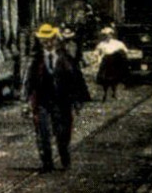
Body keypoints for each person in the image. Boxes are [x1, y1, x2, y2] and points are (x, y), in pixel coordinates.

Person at [26, 22, 90, 171]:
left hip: (62, 100)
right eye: (43, 39)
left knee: (63, 131)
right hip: (42, 101)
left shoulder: (66, 57)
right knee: (43, 132)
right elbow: (29, 80)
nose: (47, 42)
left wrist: (77, 100)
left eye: (49, 39)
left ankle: (63, 152)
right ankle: (47, 161)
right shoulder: (36, 60)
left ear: (55, 39)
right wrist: (26, 101)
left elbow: (76, 78)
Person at [94, 27, 130, 100]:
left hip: (114, 63)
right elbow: (96, 53)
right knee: (105, 79)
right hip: (105, 62)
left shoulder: (118, 43)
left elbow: (125, 51)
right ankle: (105, 93)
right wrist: (98, 60)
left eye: (109, 34)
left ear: (112, 35)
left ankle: (114, 93)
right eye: (105, 35)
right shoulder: (101, 44)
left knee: (115, 78)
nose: (108, 36)